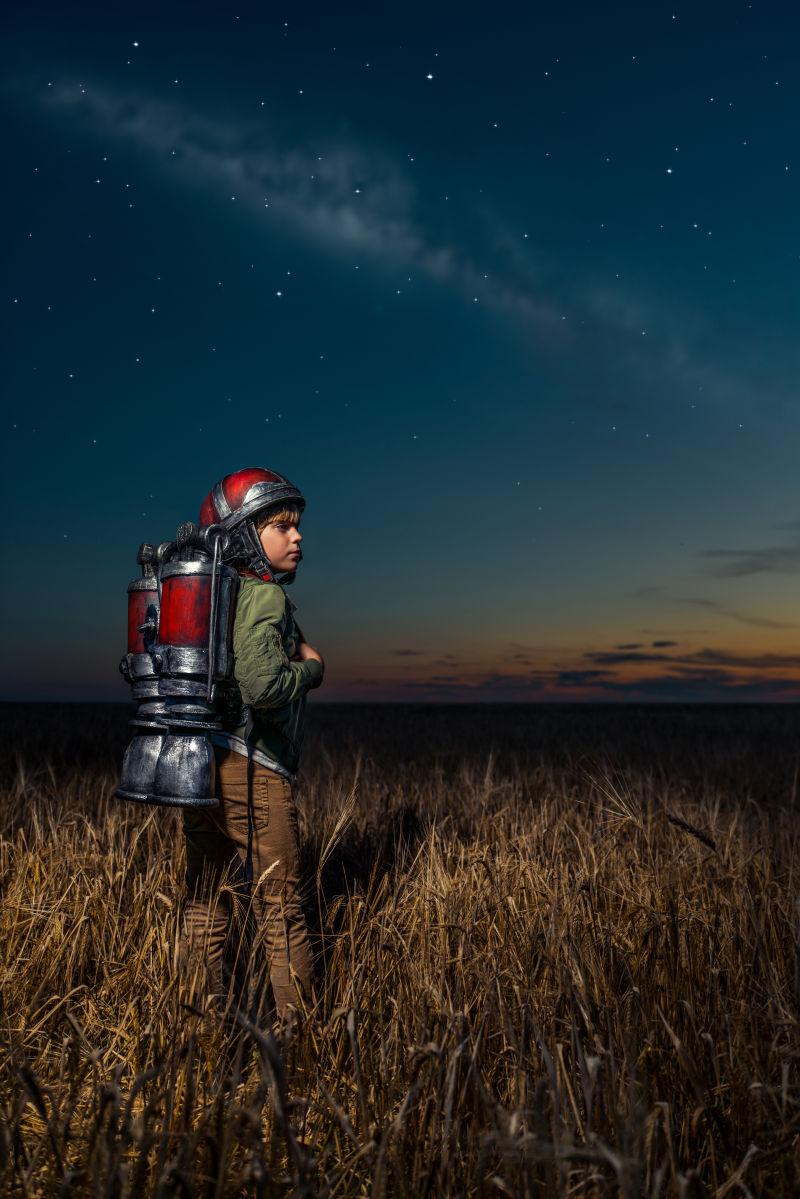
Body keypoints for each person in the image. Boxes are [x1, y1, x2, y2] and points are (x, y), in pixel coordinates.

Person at [178, 467, 325, 1032]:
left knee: (204, 899)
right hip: (253, 771)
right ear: (243, 536)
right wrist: (310, 670)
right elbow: (263, 688)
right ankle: (303, 1042)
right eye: (282, 526)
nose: (298, 537)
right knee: (282, 910)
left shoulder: (216, 597)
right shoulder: (262, 595)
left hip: (199, 766)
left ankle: (198, 1026)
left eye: (297, 526)